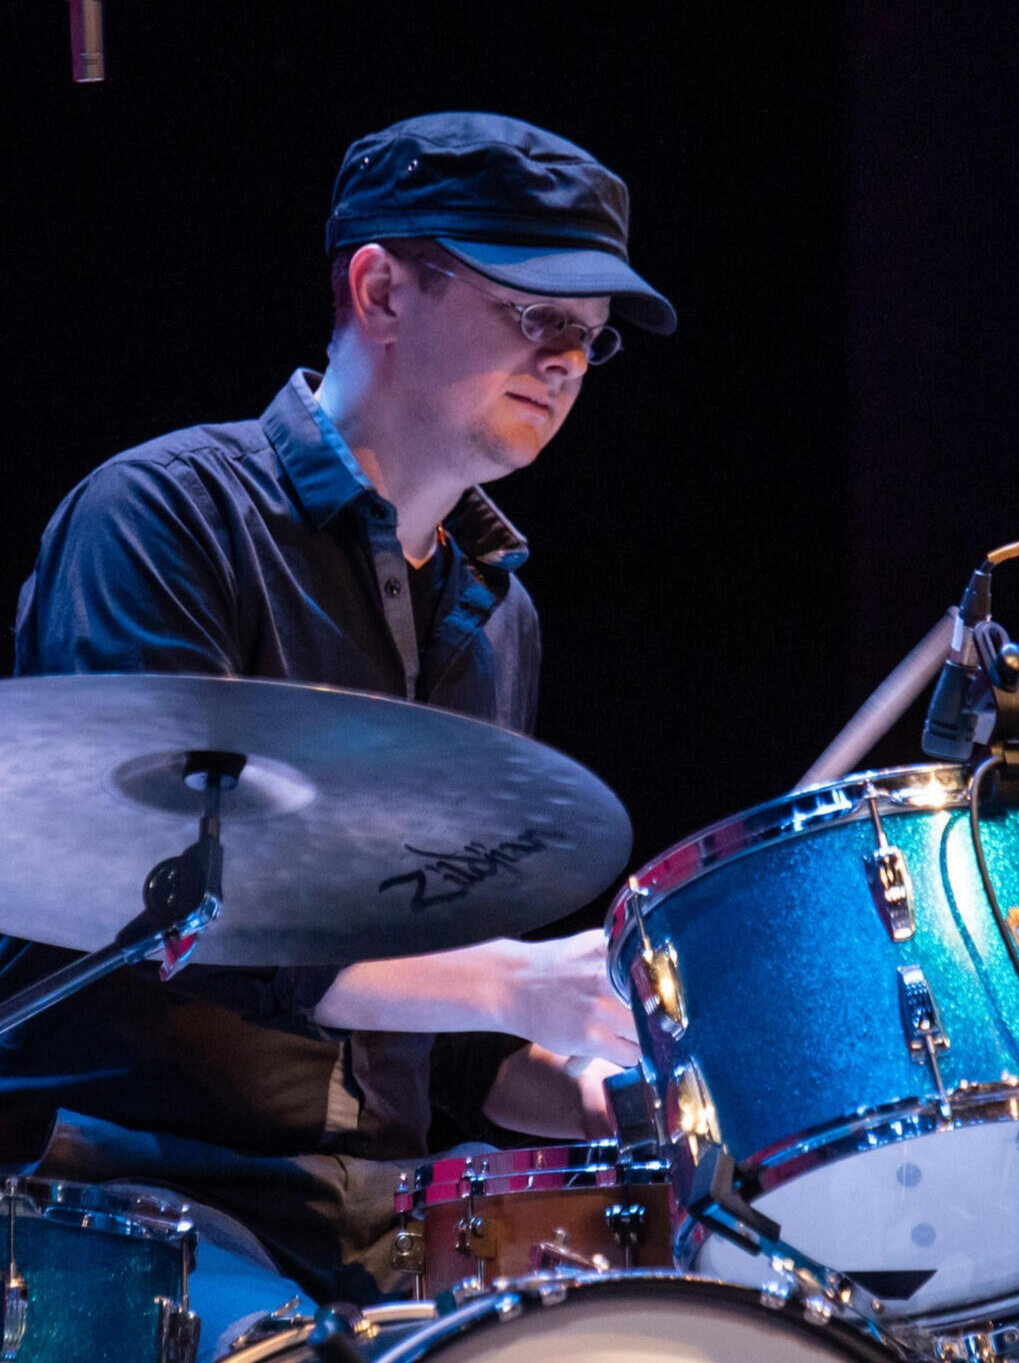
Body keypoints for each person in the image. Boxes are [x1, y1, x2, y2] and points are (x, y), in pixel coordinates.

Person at [0, 112, 676, 1356]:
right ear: (381, 289)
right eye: (537, 312)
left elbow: (433, 1041)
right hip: (124, 1204)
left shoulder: (497, 615)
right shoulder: (167, 518)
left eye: (593, 336)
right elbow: (169, 930)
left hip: (363, 1231)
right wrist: (519, 976)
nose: (571, 357)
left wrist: (603, 1082)